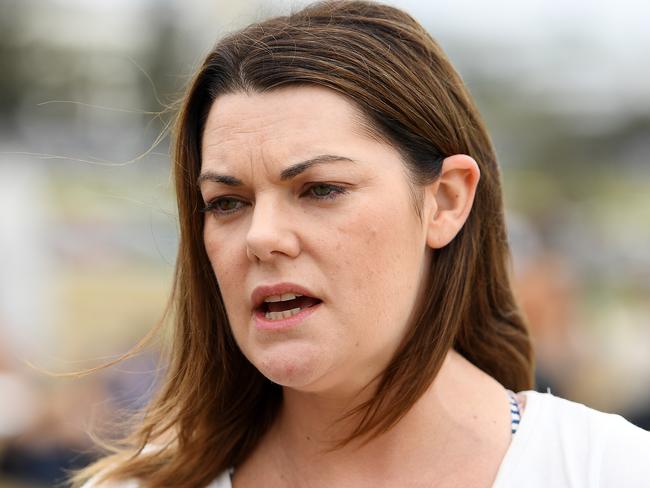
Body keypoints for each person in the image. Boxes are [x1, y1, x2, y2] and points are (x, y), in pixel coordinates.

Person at [76, 1, 650, 486]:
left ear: (446, 201)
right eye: (227, 202)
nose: (262, 237)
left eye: (320, 189)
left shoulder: (611, 470)